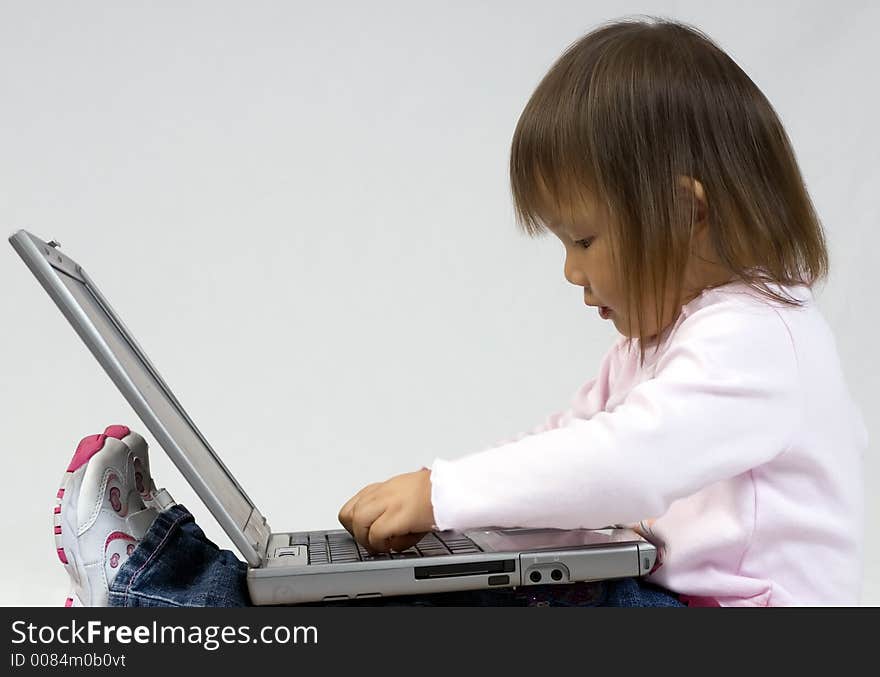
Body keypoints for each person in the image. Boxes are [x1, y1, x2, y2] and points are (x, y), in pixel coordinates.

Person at [52, 16, 866, 607]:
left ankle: (148, 589)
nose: (571, 270)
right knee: (428, 589)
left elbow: (629, 461)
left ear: (685, 211)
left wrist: (445, 494)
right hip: (661, 602)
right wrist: (456, 536)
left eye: (584, 237)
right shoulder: (660, 344)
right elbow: (568, 452)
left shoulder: (762, 338)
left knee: (461, 611)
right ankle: (173, 581)